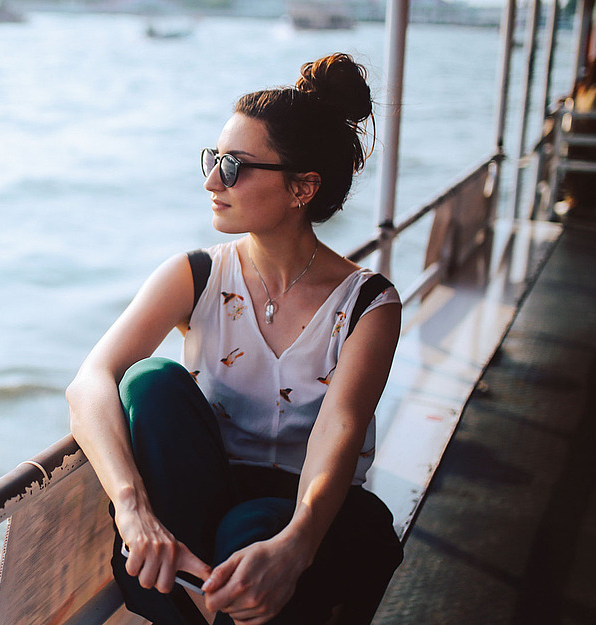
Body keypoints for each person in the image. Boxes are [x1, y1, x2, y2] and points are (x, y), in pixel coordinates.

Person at [66, 53, 403, 625]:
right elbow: (91, 382)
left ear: (302, 187)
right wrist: (132, 509)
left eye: (234, 166)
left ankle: (203, 594)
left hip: (313, 514)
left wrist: (296, 544)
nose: (211, 181)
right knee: (150, 380)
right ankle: (197, 584)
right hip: (207, 495)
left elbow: (339, 431)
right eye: (214, 159)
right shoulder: (196, 274)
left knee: (249, 534)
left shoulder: (367, 303)